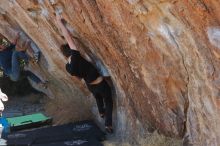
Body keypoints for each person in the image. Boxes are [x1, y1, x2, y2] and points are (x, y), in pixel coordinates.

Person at [56, 14, 113, 133]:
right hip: (99, 83)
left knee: (97, 97)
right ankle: (108, 124)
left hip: (90, 85)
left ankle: (101, 112)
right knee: (108, 101)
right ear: (70, 51)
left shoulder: (68, 67)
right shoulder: (76, 56)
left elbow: (78, 77)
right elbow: (68, 37)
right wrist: (59, 22)